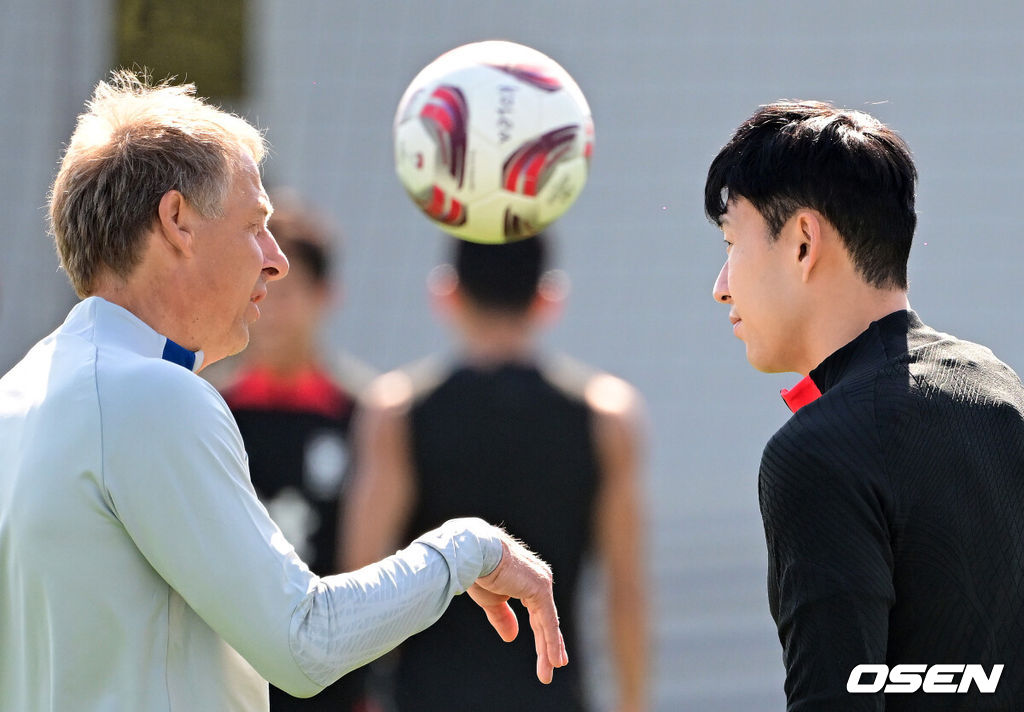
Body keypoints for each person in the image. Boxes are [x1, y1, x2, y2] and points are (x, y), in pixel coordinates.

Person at [0, 71, 567, 712]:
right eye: (254, 224)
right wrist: (468, 549)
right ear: (178, 221)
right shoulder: (153, 396)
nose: (276, 258)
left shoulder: (19, 397)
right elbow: (305, 640)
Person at [706, 100, 1024, 709]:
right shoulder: (1000, 389)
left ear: (803, 241)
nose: (720, 285)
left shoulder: (817, 452)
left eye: (730, 243)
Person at [344, 235, 648, 712]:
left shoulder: (396, 413)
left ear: (447, 293)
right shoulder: (607, 418)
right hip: (550, 697)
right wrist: (633, 703)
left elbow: (364, 580)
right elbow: (625, 592)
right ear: (549, 298)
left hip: (428, 698)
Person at [218, 190, 374, 711]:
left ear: (326, 295)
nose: (274, 307)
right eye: (262, 285)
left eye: (290, 290)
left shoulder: (369, 418)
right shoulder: (212, 411)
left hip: (334, 678)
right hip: (234, 675)